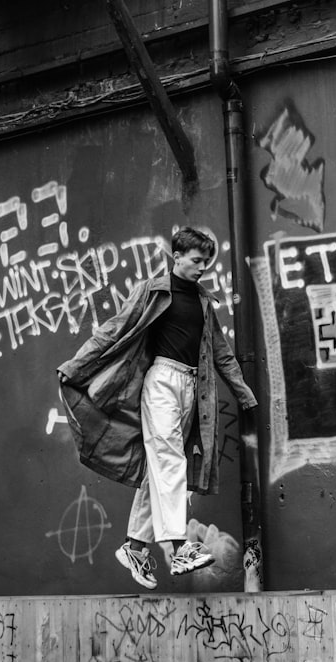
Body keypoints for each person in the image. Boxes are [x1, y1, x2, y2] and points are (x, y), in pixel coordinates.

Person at [57, 227, 257, 589]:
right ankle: (180, 547)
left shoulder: (202, 301)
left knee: (158, 470)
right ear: (176, 256)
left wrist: (243, 393)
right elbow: (114, 330)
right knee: (170, 462)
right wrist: (76, 366)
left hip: (192, 391)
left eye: (206, 262)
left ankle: (135, 546)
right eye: (197, 261)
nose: (202, 268)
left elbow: (222, 354)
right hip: (162, 381)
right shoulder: (152, 291)